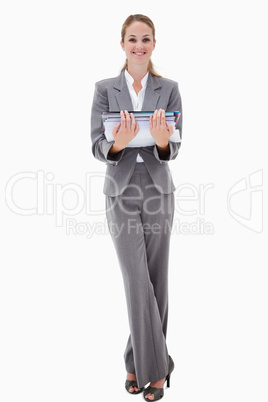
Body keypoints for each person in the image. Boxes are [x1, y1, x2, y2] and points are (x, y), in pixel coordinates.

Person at [90, 14, 183, 401]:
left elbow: (175, 147)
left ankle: (135, 364)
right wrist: (118, 143)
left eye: (145, 39)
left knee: (156, 277)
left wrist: (162, 140)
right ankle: (158, 369)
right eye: (132, 39)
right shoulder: (105, 89)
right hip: (121, 190)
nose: (139, 45)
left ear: (154, 44)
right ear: (123, 43)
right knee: (135, 278)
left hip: (158, 188)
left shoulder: (170, 88)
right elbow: (97, 145)